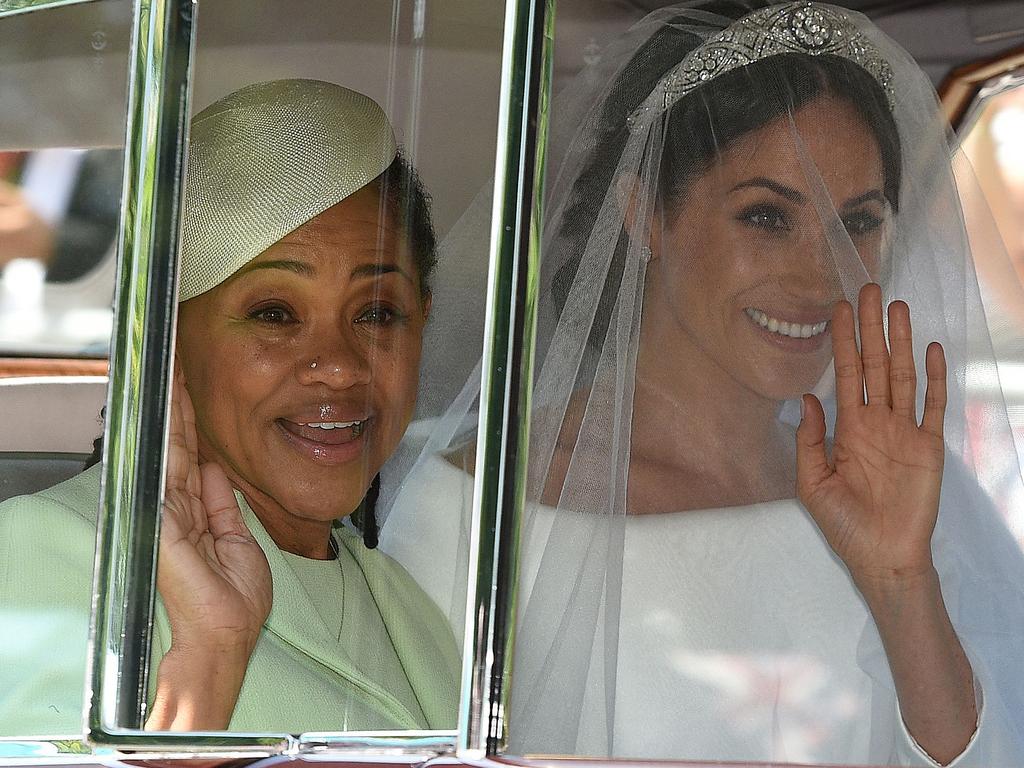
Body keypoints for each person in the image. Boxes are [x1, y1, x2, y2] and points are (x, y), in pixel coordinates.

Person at [380, 2, 1024, 765]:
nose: (822, 277)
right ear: (644, 211)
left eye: (857, 222)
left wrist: (900, 582)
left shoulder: (919, 498)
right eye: (766, 217)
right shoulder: (466, 512)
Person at [0, 79, 459, 736]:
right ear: (166, 343)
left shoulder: (408, 606)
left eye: (378, 313)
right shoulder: (49, 552)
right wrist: (210, 659)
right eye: (275, 313)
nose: (339, 365)